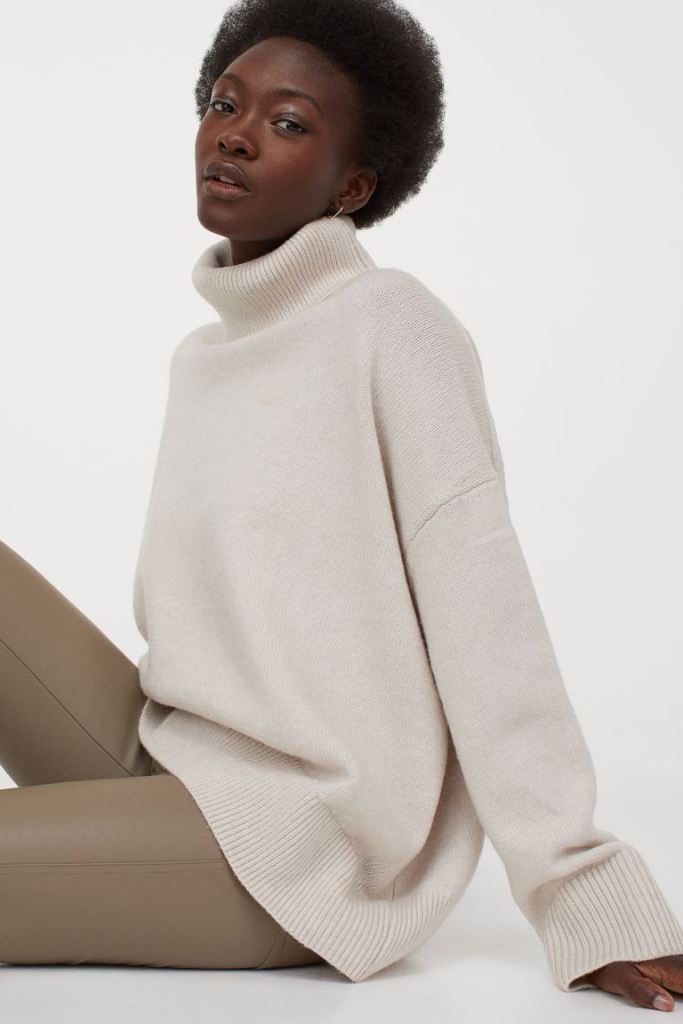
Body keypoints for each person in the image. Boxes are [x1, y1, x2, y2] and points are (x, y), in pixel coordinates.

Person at [1, 0, 682, 1009]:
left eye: (287, 122)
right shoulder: (205, 355)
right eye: (224, 104)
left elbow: (486, 622)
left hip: (295, 847)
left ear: (352, 186)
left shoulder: (390, 328)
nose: (235, 134)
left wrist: (583, 890)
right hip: (175, 760)